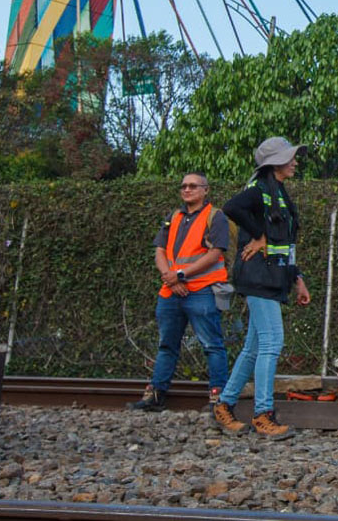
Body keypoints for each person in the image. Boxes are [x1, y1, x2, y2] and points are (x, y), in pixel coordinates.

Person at [213, 137, 312, 439]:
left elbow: (285, 243)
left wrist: (297, 278)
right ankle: (263, 414)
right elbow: (230, 207)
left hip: (274, 278)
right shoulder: (258, 192)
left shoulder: (279, 193)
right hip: (258, 279)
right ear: (273, 163)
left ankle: (224, 406)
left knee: (254, 348)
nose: (295, 161)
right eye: (290, 157)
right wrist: (259, 235)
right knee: (272, 343)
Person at [128, 173, 230, 412]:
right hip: (171, 290)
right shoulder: (173, 217)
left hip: (202, 290)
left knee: (212, 345)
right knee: (167, 344)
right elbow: (160, 251)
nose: (187, 189)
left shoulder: (216, 217)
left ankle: (219, 398)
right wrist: (171, 278)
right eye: (183, 186)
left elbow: (215, 254)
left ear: (206, 190)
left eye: (193, 186)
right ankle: (155, 395)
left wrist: (180, 275)